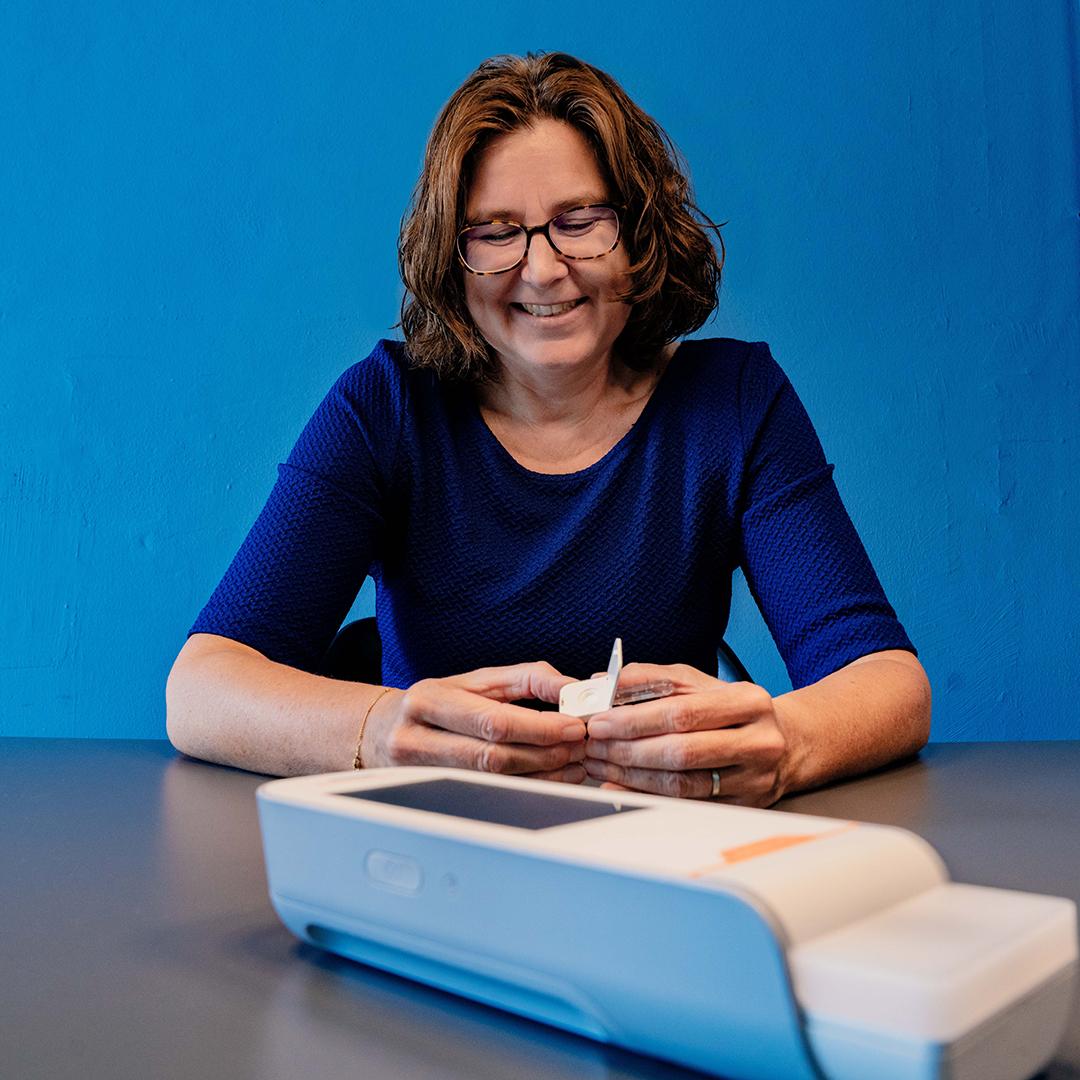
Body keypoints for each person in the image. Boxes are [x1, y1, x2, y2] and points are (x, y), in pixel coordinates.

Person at [166, 52, 930, 807]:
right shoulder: (385, 407)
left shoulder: (732, 403)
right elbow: (200, 688)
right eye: (496, 231)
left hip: (661, 857)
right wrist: (375, 729)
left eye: (579, 221)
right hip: (435, 854)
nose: (542, 269)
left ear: (638, 233)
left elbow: (889, 681)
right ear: (453, 256)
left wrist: (787, 743)